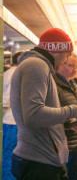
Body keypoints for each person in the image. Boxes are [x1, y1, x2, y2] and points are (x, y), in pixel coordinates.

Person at [10, 28, 77, 180]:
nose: (66, 60)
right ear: (58, 50)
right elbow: (33, 115)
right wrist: (74, 111)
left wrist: (66, 125)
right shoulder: (36, 65)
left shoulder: (40, 66)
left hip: (43, 160)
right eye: (67, 55)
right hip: (38, 163)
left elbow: (40, 117)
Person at [53, 52, 77, 180]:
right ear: (61, 63)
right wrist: (69, 126)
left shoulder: (72, 83)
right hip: (64, 146)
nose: (75, 70)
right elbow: (51, 115)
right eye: (71, 65)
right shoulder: (53, 84)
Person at [2, 51, 23, 180]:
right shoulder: (16, 75)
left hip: (9, 122)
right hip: (11, 123)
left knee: (8, 155)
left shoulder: (7, 74)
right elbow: (5, 101)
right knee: (10, 155)